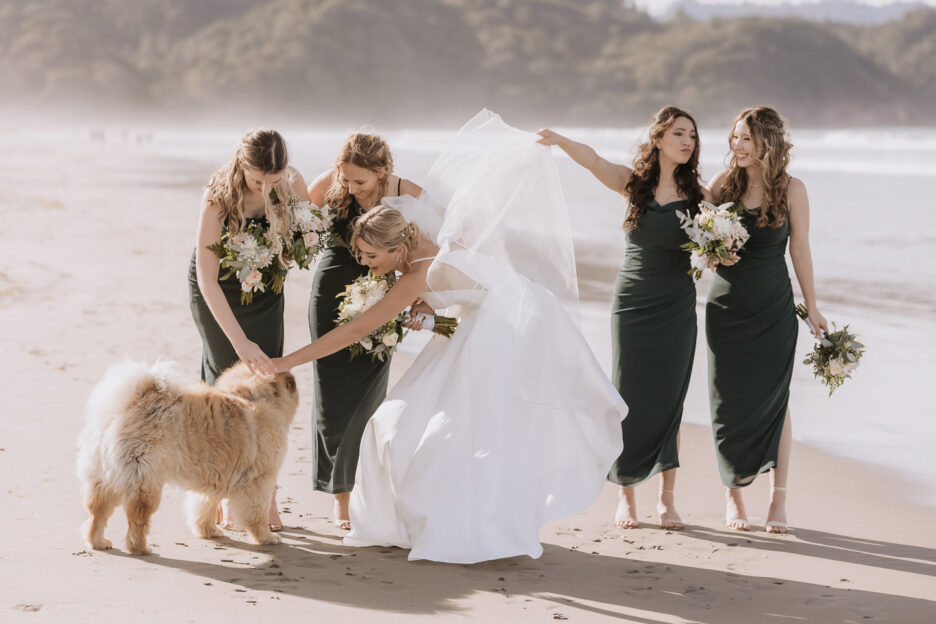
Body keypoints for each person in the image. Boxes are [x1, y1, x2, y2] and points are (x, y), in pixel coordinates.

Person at [273, 111, 626, 563]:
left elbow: (360, 327)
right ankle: (448, 514)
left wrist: (286, 362)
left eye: (369, 256)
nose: (364, 265)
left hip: (509, 333)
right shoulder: (424, 262)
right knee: (408, 422)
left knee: (452, 428)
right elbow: (456, 316)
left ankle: (469, 524)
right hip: (484, 326)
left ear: (397, 248)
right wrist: (429, 322)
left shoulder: (422, 273)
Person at [537, 106, 706, 530]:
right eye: (680, 133)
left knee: (671, 399)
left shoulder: (701, 197)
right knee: (627, 396)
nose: (688, 141)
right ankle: (625, 496)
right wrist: (559, 141)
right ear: (659, 138)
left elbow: (721, 240)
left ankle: (667, 500)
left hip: (677, 305)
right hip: (633, 302)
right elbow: (594, 160)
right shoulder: (634, 185)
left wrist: (722, 255)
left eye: (692, 135)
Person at [705, 106, 827, 533]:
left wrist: (812, 306)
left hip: (773, 309)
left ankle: (778, 500)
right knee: (726, 400)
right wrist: (708, 254)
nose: (735, 146)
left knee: (776, 402)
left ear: (766, 143)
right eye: (734, 138)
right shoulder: (724, 185)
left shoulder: (792, 189)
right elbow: (695, 235)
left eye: (744, 139)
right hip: (726, 308)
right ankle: (733, 496)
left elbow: (801, 251)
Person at [188, 128, 308, 531]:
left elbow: (301, 243)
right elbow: (206, 278)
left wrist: (291, 247)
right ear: (241, 165)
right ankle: (219, 489)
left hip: (265, 291)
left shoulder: (292, 184)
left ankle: (264, 493)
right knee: (225, 388)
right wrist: (240, 341)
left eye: (274, 180)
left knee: (265, 386)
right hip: (217, 288)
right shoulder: (218, 198)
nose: (267, 187)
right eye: (259, 180)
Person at [304, 133, 422, 530]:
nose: (352, 189)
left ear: (382, 172)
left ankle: (364, 488)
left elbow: (438, 241)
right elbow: (297, 227)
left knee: (369, 395)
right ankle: (340, 497)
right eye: (347, 180)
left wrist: (422, 296)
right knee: (332, 394)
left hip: (384, 289)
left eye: (361, 182)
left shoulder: (408, 191)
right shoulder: (330, 184)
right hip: (331, 288)